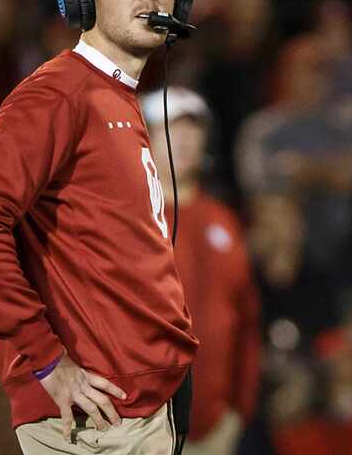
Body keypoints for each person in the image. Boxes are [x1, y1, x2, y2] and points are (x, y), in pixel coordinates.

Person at [0, 0, 198, 455]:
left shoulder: (112, 95)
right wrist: (47, 359)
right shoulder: (60, 93)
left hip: (144, 405)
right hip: (102, 416)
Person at [142, 87, 261, 455]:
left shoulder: (222, 219)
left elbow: (246, 319)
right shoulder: (127, 219)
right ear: (145, 136)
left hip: (213, 425)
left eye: (194, 130)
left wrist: (238, 411)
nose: (186, 140)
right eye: (172, 129)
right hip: (142, 425)